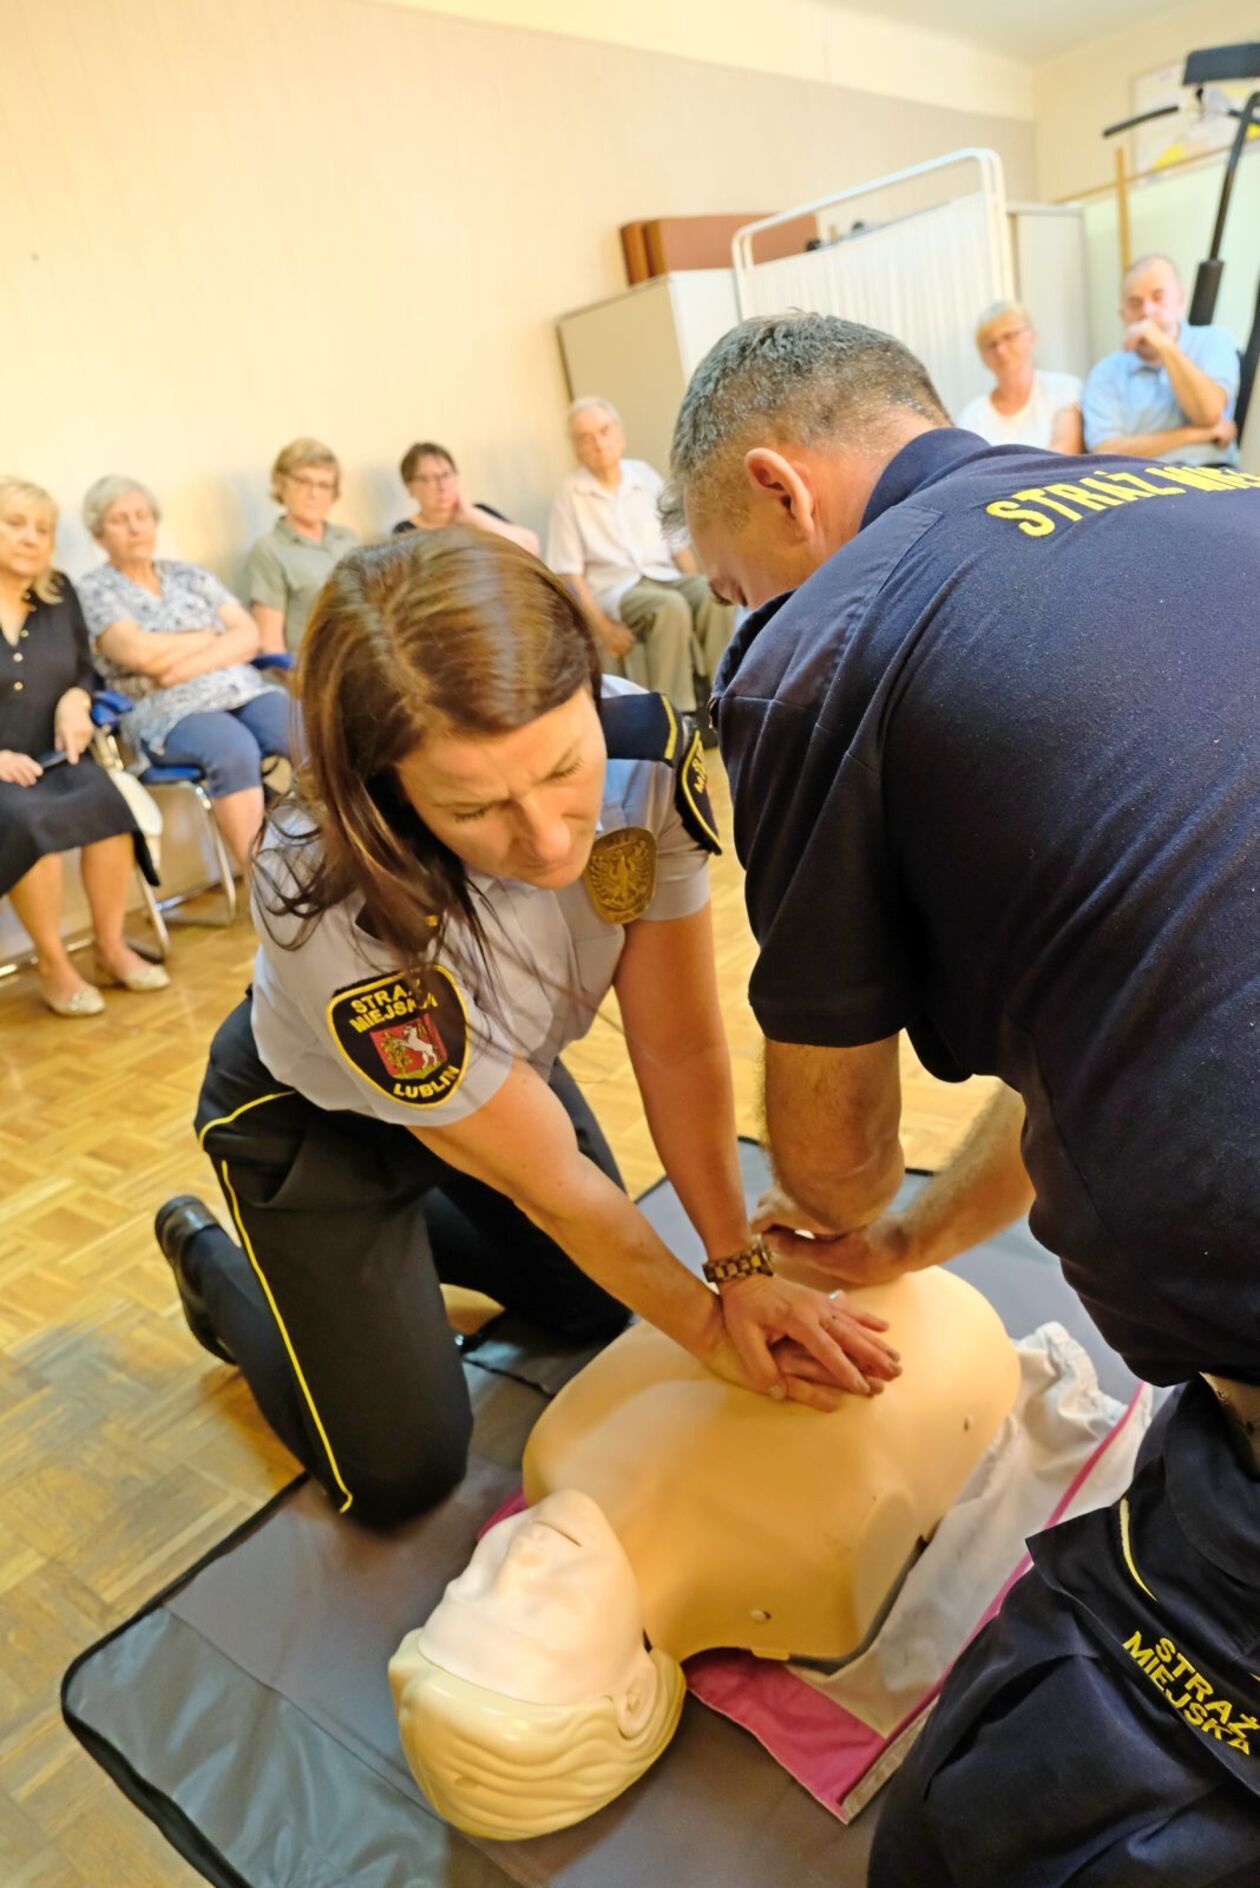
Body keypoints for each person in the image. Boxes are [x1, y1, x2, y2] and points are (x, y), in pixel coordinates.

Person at [665, 312, 1260, 1886]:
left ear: (779, 488)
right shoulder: (1221, 494)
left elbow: (830, 1169)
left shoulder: (815, 650)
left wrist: (861, 1225)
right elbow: (1116, 1005)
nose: (741, 620)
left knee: (955, 1836)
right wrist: (929, 1241)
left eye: (730, 586)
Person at [153, 529, 899, 1526]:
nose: (551, 837)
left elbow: (676, 1043)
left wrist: (738, 1267)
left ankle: (376, 1269)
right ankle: (224, 1261)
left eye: (561, 769)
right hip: (311, 1125)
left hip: (499, 1080)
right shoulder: (316, 879)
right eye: (475, 807)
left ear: (591, 691)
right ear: (391, 789)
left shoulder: (647, 754)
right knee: (399, 1474)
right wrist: (716, 1335)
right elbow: (549, 1180)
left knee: (595, 1304)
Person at [0, 477, 168, 1016]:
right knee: (29, 824)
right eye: (15, 524)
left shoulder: (58, 593)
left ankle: (110, 947)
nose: (31, 538)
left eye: (43, 529)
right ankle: (54, 964)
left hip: (57, 756)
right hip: (3, 772)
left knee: (108, 806)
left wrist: (77, 697)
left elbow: (85, 671)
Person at [78, 477, 296, 876]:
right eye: (120, 520)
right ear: (97, 534)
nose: (135, 527)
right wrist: (212, 636)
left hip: (237, 687)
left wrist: (180, 664)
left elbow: (249, 634)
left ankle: (341, 856)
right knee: (233, 750)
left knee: (305, 730)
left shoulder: (189, 575)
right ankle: (264, 886)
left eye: (142, 516)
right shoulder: (94, 589)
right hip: (167, 708)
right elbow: (139, 654)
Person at [547, 397, 733, 715]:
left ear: (619, 434)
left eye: (604, 431)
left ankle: (723, 694)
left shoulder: (643, 475)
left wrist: (696, 582)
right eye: (585, 438)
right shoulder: (571, 494)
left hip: (663, 576)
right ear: (576, 449)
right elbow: (569, 573)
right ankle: (676, 713)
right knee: (669, 608)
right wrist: (603, 628)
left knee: (711, 594)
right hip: (618, 591)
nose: (598, 443)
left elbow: (677, 543)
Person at [1083, 253, 1240, 466]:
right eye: (1135, 303)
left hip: (1213, 474)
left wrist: (1165, 345)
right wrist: (1199, 434)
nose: (1147, 311)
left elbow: (1209, 414)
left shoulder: (1215, 340)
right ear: (1123, 315)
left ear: (1180, 300)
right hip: (1140, 483)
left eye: (1158, 297)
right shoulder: (1105, 372)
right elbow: (1104, 450)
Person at [246, 438, 358, 654]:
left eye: (324, 485)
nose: (314, 494)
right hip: (312, 673)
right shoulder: (270, 549)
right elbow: (271, 646)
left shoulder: (348, 539)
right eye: (303, 481)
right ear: (282, 483)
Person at [955, 300, 1082, 451]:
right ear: (983, 358)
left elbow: (1065, 451)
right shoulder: (972, 416)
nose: (1001, 350)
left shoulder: (1063, 388)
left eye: (1009, 336)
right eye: (991, 344)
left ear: (1032, 335)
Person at [392, 441, 539, 555]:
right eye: (428, 479)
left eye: (446, 475)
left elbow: (531, 549)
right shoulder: (404, 531)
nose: (442, 486)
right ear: (410, 487)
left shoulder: (479, 512)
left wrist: (472, 517)